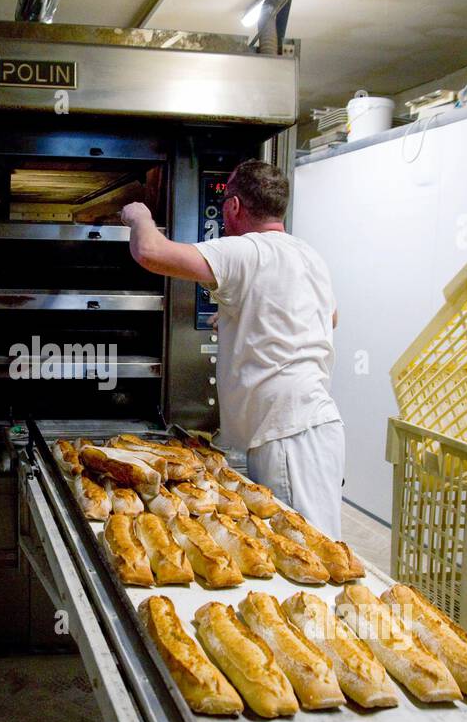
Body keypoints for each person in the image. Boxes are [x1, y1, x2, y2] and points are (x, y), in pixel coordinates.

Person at [121, 159, 344, 538]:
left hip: (287, 436)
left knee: (306, 552)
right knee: (297, 546)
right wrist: (244, 316)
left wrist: (139, 216)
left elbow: (151, 253)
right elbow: (330, 317)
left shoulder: (246, 251)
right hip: (311, 426)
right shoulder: (308, 255)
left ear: (235, 207)